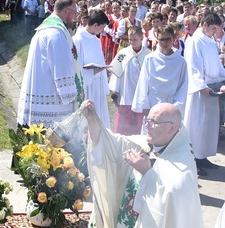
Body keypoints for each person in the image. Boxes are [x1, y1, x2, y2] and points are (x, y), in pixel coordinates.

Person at [83, 100, 204, 228]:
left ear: (172, 127)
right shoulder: (143, 144)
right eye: (147, 120)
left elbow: (174, 195)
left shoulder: (182, 161)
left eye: (154, 122)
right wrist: (92, 120)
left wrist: (147, 173)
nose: (147, 125)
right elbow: (109, 144)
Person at [16, 0, 83, 126]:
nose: (75, 18)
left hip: (40, 91)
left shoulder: (46, 27)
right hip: (51, 104)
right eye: (75, 13)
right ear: (67, 11)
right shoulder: (56, 34)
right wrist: (71, 95)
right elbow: (62, 66)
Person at [183, 11, 225, 171]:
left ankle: (202, 156)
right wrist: (201, 87)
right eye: (213, 29)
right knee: (196, 125)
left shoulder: (210, 42)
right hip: (199, 90)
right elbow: (193, 66)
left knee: (208, 126)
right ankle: (192, 159)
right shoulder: (195, 41)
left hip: (212, 86)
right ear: (204, 25)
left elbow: (217, 66)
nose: (215, 32)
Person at [132, 24, 189, 115]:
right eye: (161, 39)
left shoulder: (181, 61)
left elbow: (183, 86)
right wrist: (145, 106)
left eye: (168, 39)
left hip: (172, 103)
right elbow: (143, 83)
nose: (164, 43)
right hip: (153, 103)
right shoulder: (150, 59)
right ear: (157, 40)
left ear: (173, 39)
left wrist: (176, 106)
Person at [109, 26, 151, 135]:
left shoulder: (149, 55)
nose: (132, 42)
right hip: (126, 93)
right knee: (123, 124)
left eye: (135, 39)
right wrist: (115, 91)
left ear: (141, 38)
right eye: (130, 39)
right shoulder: (123, 53)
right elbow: (116, 72)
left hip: (141, 94)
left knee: (139, 122)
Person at [74, 8, 112, 129]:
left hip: (97, 85)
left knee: (99, 117)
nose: (103, 30)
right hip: (86, 86)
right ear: (95, 25)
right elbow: (76, 66)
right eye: (102, 26)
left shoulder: (96, 41)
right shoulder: (77, 39)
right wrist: (91, 72)